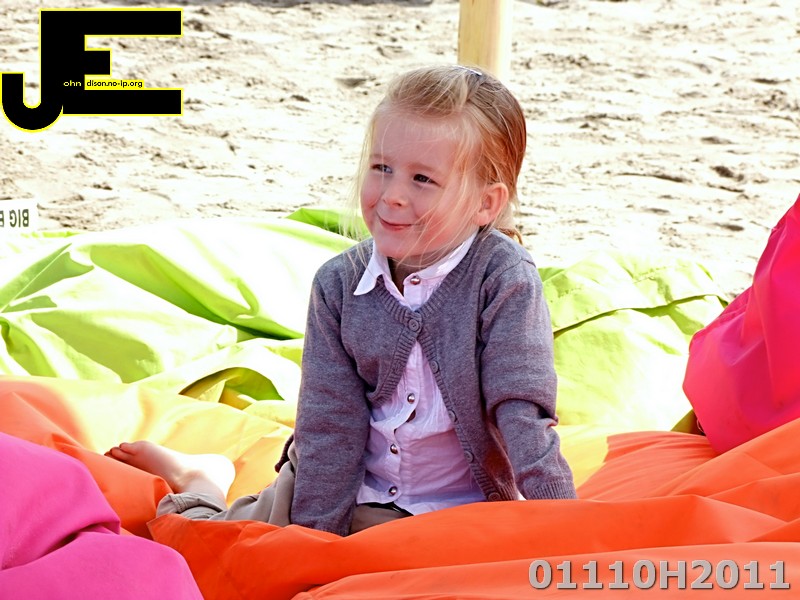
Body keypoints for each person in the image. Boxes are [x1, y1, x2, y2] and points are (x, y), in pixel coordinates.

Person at [107, 64, 576, 537]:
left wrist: (565, 526)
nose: (392, 195)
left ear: (486, 203)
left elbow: (522, 410)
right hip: (344, 493)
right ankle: (202, 481)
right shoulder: (338, 285)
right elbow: (330, 425)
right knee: (201, 543)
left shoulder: (504, 280)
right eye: (382, 168)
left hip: (461, 509)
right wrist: (314, 538)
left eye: (422, 179)